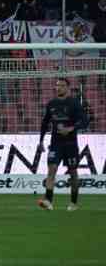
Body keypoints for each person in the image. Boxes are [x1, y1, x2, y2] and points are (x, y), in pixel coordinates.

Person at [37, 77, 89, 211]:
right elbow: (45, 123)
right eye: (57, 85)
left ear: (67, 88)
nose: (58, 88)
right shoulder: (52, 104)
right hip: (55, 143)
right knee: (51, 170)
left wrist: (71, 129)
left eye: (61, 85)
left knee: (73, 172)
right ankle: (48, 201)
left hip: (71, 144)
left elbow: (84, 121)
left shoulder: (74, 103)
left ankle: (73, 203)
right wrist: (41, 140)